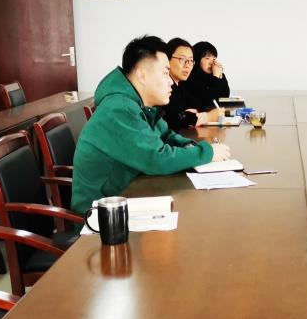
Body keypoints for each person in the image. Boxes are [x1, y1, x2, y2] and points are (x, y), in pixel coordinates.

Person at [71, 36, 232, 213]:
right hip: (101, 215)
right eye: (165, 73)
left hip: (129, 196)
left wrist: (192, 146)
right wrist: (207, 152)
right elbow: (157, 159)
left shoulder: (139, 105)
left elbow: (166, 136)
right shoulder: (120, 108)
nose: (170, 81)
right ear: (142, 75)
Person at [162, 37, 222, 131]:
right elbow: (175, 118)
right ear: (167, 59)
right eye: (182, 59)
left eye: (190, 60)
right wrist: (207, 117)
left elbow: (198, 106)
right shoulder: (163, 86)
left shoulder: (179, 85)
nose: (187, 65)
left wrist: (219, 74)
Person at [189, 41, 230, 110]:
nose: (212, 62)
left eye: (214, 58)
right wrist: (216, 77)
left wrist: (220, 76)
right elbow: (208, 102)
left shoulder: (215, 74)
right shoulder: (190, 77)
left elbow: (225, 97)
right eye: (207, 58)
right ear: (196, 59)